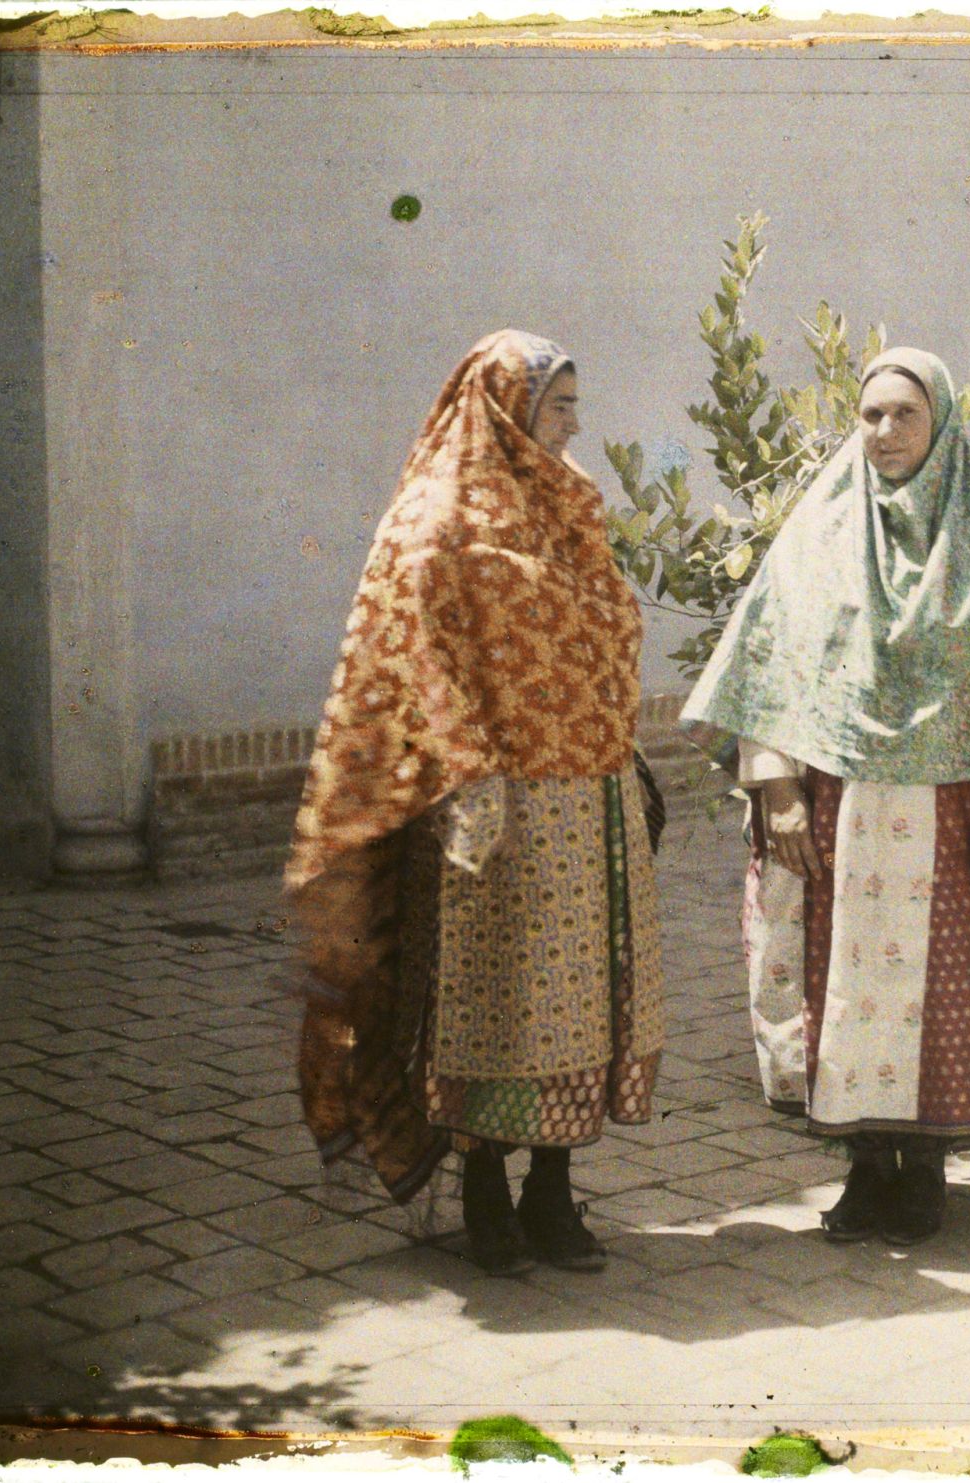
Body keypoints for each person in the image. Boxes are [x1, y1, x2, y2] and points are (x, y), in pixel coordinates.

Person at [682, 348, 970, 1245]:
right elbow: (766, 660)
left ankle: (927, 1169)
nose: (886, 431)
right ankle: (867, 1168)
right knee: (845, 983)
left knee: (940, 988)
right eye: (871, 414)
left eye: (906, 414)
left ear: (940, 425)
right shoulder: (818, 535)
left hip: (948, 821)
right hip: (841, 813)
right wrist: (778, 787)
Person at [285, 329, 664, 1278]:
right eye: (558, 406)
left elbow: (605, 629)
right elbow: (409, 654)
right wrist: (468, 776)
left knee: (583, 1003)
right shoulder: (435, 515)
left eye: (574, 406)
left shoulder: (569, 499)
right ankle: (487, 1189)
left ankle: (553, 1188)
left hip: (592, 792)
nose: (573, 425)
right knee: (500, 1005)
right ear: (506, 406)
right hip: (496, 804)